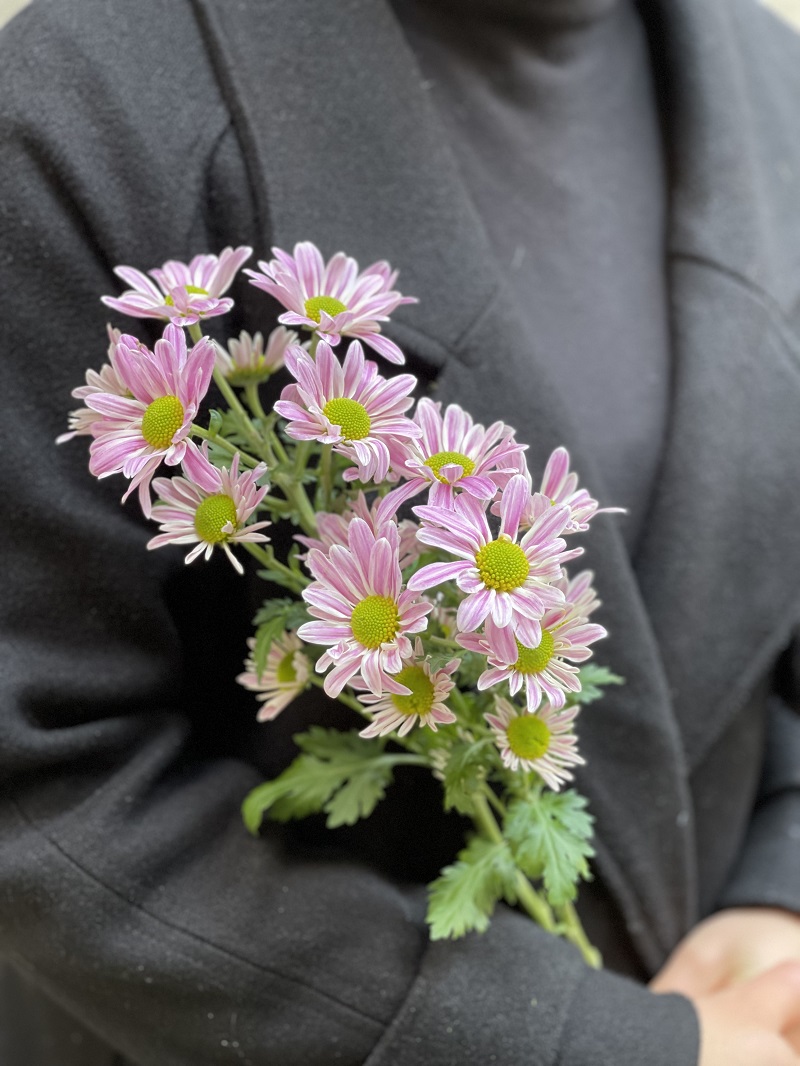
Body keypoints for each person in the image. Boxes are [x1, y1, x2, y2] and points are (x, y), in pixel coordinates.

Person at [1, 0, 800, 1063]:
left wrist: (778, 890)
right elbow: (43, 772)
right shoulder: (87, 105)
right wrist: (585, 1045)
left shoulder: (770, 87)